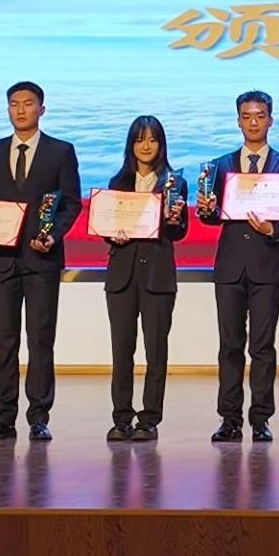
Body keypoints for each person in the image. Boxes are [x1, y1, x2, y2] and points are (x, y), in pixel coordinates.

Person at [0, 81, 82, 443]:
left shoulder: (60, 151)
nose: (20, 110)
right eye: (14, 104)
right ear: (8, 109)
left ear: (41, 109)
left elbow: (71, 203)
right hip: (1, 261)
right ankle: (3, 417)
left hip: (42, 259)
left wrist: (54, 234)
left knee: (40, 339)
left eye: (28, 103)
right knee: (3, 341)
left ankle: (38, 416)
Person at [197, 90, 279, 443]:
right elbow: (212, 215)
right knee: (229, 346)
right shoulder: (221, 165)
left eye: (260, 115)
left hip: (267, 265)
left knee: (263, 347)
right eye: (246, 116)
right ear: (238, 121)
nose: (253, 122)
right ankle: (229, 419)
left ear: (270, 120)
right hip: (230, 266)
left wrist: (273, 229)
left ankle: (261, 418)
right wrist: (206, 209)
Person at [102, 116, 189, 442]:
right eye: (140, 140)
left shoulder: (174, 183)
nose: (146, 146)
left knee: (156, 351)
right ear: (131, 145)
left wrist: (174, 220)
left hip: (157, 275)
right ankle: (121, 418)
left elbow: (179, 232)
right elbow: (106, 226)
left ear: (161, 144)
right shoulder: (117, 182)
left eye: (152, 139)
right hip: (121, 276)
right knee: (121, 350)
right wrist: (112, 235)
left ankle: (149, 419)